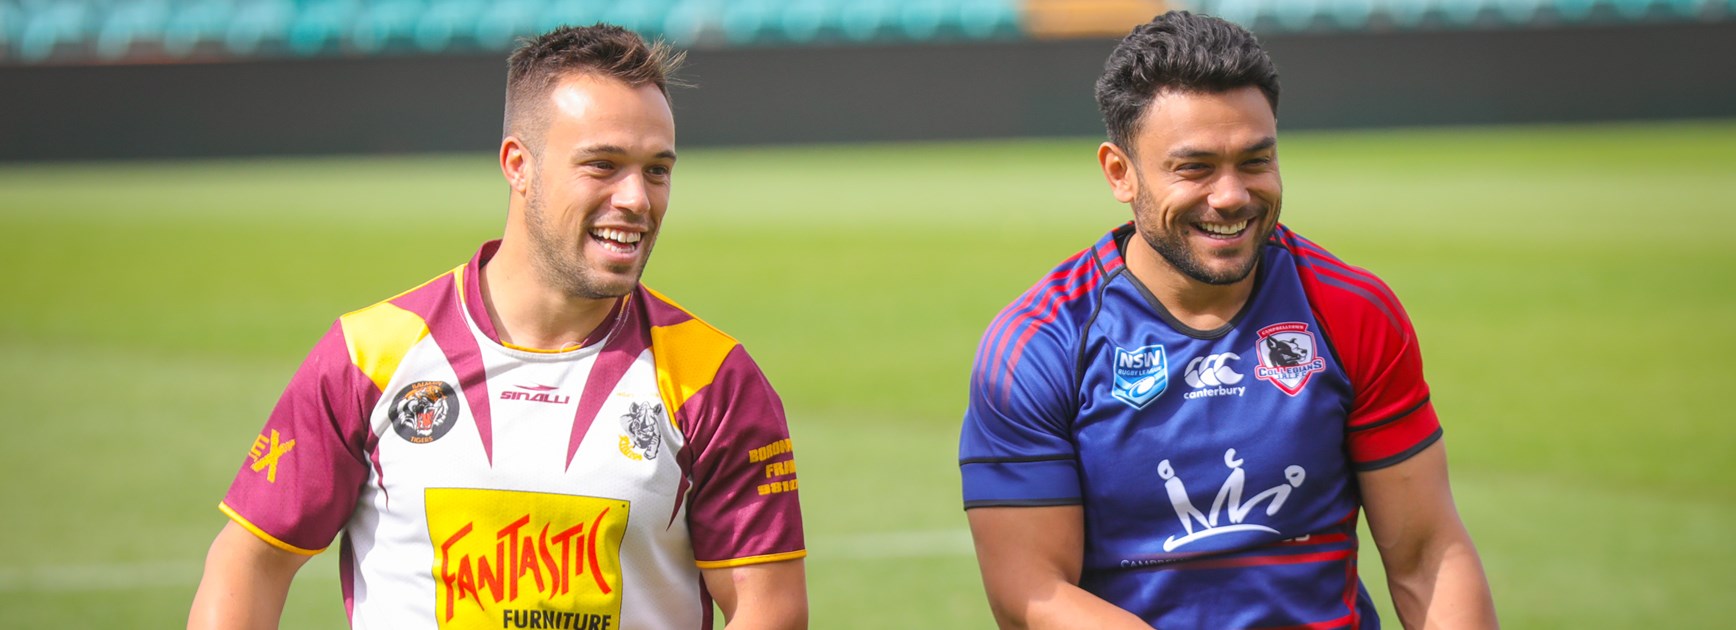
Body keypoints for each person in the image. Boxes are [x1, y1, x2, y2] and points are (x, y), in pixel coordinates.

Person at [188, 24, 807, 630]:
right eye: (603, 165)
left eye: (657, 170)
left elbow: (770, 606)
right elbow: (251, 562)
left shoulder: (715, 380)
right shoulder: (369, 354)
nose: (637, 199)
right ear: (518, 164)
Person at [957, 11, 1497, 629]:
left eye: (1255, 161)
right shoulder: (1039, 344)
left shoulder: (1351, 311)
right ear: (1119, 172)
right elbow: (1030, 592)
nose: (1232, 195)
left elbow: (1429, 556)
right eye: (1195, 168)